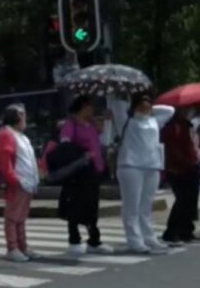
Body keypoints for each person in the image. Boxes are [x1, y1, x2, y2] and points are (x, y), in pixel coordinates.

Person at [115, 93, 175, 254]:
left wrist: (150, 107)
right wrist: (133, 107)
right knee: (131, 206)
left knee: (146, 206)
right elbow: (118, 106)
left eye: (148, 104)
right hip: (130, 166)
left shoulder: (154, 120)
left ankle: (149, 237)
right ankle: (134, 240)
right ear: (134, 107)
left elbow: (170, 110)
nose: (145, 106)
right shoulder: (127, 122)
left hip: (151, 166)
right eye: (141, 104)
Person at [59, 96, 114, 256]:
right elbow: (65, 147)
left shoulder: (90, 125)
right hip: (78, 172)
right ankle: (74, 239)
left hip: (93, 171)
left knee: (91, 206)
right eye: (90, 107)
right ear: (83, 107)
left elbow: (102, 139)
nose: (93, 110)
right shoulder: (70, 125)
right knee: (75, 206)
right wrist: (82, 154)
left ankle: (94, 240)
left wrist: (107, 121)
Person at [0, 104, 40, 262]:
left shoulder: (20, 135)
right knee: (13, 217)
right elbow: (5, 161)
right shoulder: (7, 134)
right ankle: (13, 247)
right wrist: (14, 180)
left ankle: (22, 246)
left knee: (20, 217)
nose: (25, 119)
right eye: (23, 115)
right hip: (18, 182)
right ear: (18, 116)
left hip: (26, 182)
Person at [160, 107, 200, 245]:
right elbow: (172, 149)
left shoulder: (188, 126)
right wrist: (187, 160)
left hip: (191, 166)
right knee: (182, 200)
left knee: (190, 200)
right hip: (177, 168)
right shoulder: (172, 128)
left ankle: (186, 230)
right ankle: (171, 231)